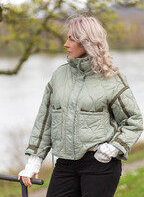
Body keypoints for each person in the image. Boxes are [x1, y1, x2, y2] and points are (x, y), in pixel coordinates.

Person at [18, 15, 143, 197]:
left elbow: (134, 120)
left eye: (71, 39)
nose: (65, 44)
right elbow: (45, 121)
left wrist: (113, 148)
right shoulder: (59, 75)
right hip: (64, 164)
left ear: (87, 42)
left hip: (100, 165)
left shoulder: (112, 79)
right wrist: (33, 161)